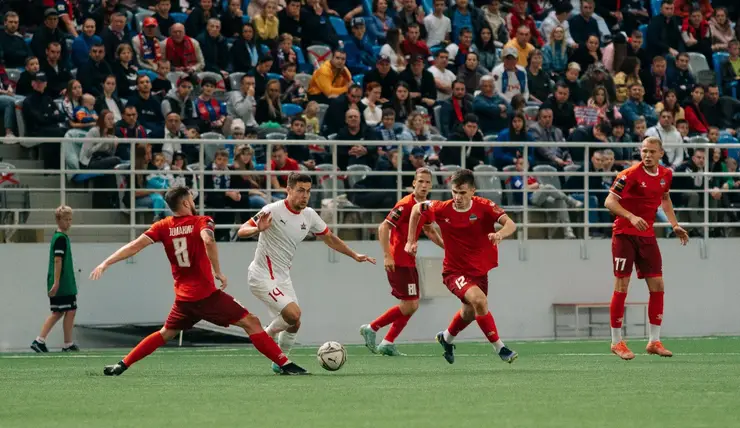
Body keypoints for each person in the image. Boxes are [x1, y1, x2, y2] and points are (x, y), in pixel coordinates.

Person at [90, 186, 308, 376]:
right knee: (251, 322)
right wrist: (218, 271)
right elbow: (208, 240)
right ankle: (284, 364)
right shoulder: (201, 221)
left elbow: (134, 246)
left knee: (165, 333)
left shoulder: (162, 226)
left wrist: (105, 263)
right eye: (191, 199)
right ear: (185, 202)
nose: (193, 202)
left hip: (183, 299)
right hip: (205, 295)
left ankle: (123, 364)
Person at [237, 173, 376, 373]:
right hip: (261, 275)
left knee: (295, 322)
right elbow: (242, 230)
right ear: (289, 189)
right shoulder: (271, 210)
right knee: (294, 313)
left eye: (308, 191)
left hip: (282, 276)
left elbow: (329, 238)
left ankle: (279, 362)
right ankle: (266, 336)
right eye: (300, 190)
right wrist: (257, 229)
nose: (305, 196)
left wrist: (354, 255)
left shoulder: (309, 215)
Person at [404, 169, 518, 364]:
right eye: (454, 192)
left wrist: (500, 234)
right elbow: (416, 210)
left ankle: (446, 338)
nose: (457, 197)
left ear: (473, 191)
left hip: (479, 271)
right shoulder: (441, 208)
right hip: (454, 271)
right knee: (479, 301)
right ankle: (501, 348)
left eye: (462, 193)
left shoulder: (484, 207)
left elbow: (511, 224)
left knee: (469, 312)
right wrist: (410, 241)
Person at [604, 137, 689, 360]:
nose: (647, 155)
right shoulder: (628, 174)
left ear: (661, 153)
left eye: (652, 151)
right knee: (622, 285)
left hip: (647, 236)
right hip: (624, 234)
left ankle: (654, 341)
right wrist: (630, 217)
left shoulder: (665, 175)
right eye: (644, 151)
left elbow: (665, 199)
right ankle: (616, 341)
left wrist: (674, 224)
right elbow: (609, 202)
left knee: (658, 284)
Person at [359, 168, 444, 356]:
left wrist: (447, 247)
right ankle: (372, 328)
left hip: (409, 261)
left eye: (427, 182)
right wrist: (387, 255)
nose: (423, 185)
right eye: (420, 181)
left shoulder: (426, 206)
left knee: (411, 304)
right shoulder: (406, 204)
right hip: (398, 260)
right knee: (410, 304)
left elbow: (430, 230)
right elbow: (383, 227)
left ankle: (388, 342)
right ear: (414, 183)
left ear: (431, 185)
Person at [30, 206, 79, 353]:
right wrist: (57, 282)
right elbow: (58, 261)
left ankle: (40, 340)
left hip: (62, 282)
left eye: (70, 220)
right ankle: (67, 343)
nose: (69, 223)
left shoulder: (59, 238)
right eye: (66, 219)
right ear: (58, 220)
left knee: (58, 312)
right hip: (64, 283)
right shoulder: (60, 239)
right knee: (70, 309)